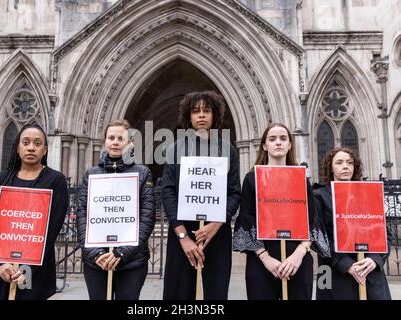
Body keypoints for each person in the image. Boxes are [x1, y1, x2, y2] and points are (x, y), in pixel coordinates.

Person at [233, 123, 330, 300]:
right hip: (262, 260)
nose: (278, 142)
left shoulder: (300, 178)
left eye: (283, 138)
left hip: (297, 260)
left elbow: (312, 219)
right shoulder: (252, 179)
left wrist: (299, 253)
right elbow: (247, 218)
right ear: (264, 145)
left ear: (290, 144)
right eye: (272, 139)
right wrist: (265, 258)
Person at [162, 91, 241, 300]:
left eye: (206, 110)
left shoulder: (228, 150)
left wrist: (216, 224)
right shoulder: (174, 149)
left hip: (216, 232)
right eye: (196, 111)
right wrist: (183, 237)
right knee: (178, 294)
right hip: (183, 233)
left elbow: (234, 192)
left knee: (216, 294)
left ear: (214, 115)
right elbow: (168, 192)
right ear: (188, 117)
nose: (201, 115)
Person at [0, 123, 69, 300]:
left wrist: (27, 267)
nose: (31, 147)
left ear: (45, 150)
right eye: (26, 142)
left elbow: (52, 229)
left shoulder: (56, 180)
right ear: (18, 148)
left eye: (37, 143)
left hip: (33, 267)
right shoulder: (2, 179)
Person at [76, 119, 155, 300]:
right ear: (105, 141)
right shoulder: (91, 174)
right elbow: (82, 215)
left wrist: (122, 252)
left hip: (131, 261)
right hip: (96, 261)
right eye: (111, 137)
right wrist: (95, 253)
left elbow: (147, 217)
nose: (115, 142)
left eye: (121, 138)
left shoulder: (142, 173)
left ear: (130, 143)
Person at [314, 147, 391, 300]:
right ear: (330, 167)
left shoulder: (368, 193)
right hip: (330, 270)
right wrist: (346, 264)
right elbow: (317, 237)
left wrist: (375, 259)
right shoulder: (318, 196)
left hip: (368, 268)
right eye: (339, 162)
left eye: (350, 163)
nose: (345, 166)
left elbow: (384, 233)